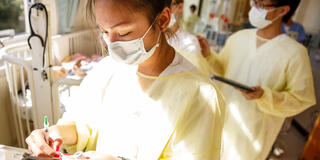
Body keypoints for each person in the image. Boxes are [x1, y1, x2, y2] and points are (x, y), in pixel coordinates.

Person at [25, 0, 225, 160]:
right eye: (104, 32)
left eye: (124, 32)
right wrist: (54, 133)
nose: (112, 45)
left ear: (163, 20)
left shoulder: (200, 96)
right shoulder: (107, 69)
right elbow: (84, 124)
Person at [197, 0, 316, 159]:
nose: (254, 8)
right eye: (254, 2)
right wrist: (209, 55)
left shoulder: (295, 54)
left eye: (261, 5)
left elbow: (301, 99)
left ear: (282, 10)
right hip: (222, 122)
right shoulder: (238, 38)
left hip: (252, 135)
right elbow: (224, 69)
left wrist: (265, 96)